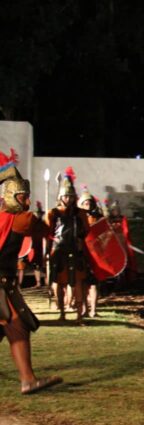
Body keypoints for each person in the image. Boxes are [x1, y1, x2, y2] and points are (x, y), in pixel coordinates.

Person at [0, 150, 63, 394]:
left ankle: (28, 379)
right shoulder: (21, 219)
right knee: (17, 327)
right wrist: (52, 214)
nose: (27, 202)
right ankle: (28, 380)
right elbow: (43, 230)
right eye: (23, 196)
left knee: (13, 328)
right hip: (2, 285)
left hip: (4, 283)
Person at [46, 168, 91, 323]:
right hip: (58, 252)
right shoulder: (53, 213)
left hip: (75, 251)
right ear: (61, 196)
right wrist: (47, 252)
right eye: (66, 195)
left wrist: (81, 241)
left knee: (77, 282)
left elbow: (87, 231)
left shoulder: (81, 214)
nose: (68, 198)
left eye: (71, 196)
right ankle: (62, 314)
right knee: (59, 283)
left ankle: (79, 315)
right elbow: (48, 233)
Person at [78, 187, 104, 318]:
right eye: (85, 203)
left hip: (95, 256)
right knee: (82, 284)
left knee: (93, 284)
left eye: (89, 203)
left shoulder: (99, 218)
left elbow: (104, 235)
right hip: (82, 254)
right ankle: (84, 309)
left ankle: (93, 309)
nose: (87, 205)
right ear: (81, 204)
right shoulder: (77, 218)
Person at [106, 200, 137, 284]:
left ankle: (124, 278)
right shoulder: (108, 219)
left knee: (125, 259)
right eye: (114, 210)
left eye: (117, 210)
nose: (116, 211)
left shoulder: (122, 218)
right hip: (113, 242)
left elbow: (125, 229)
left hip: (122, 242)